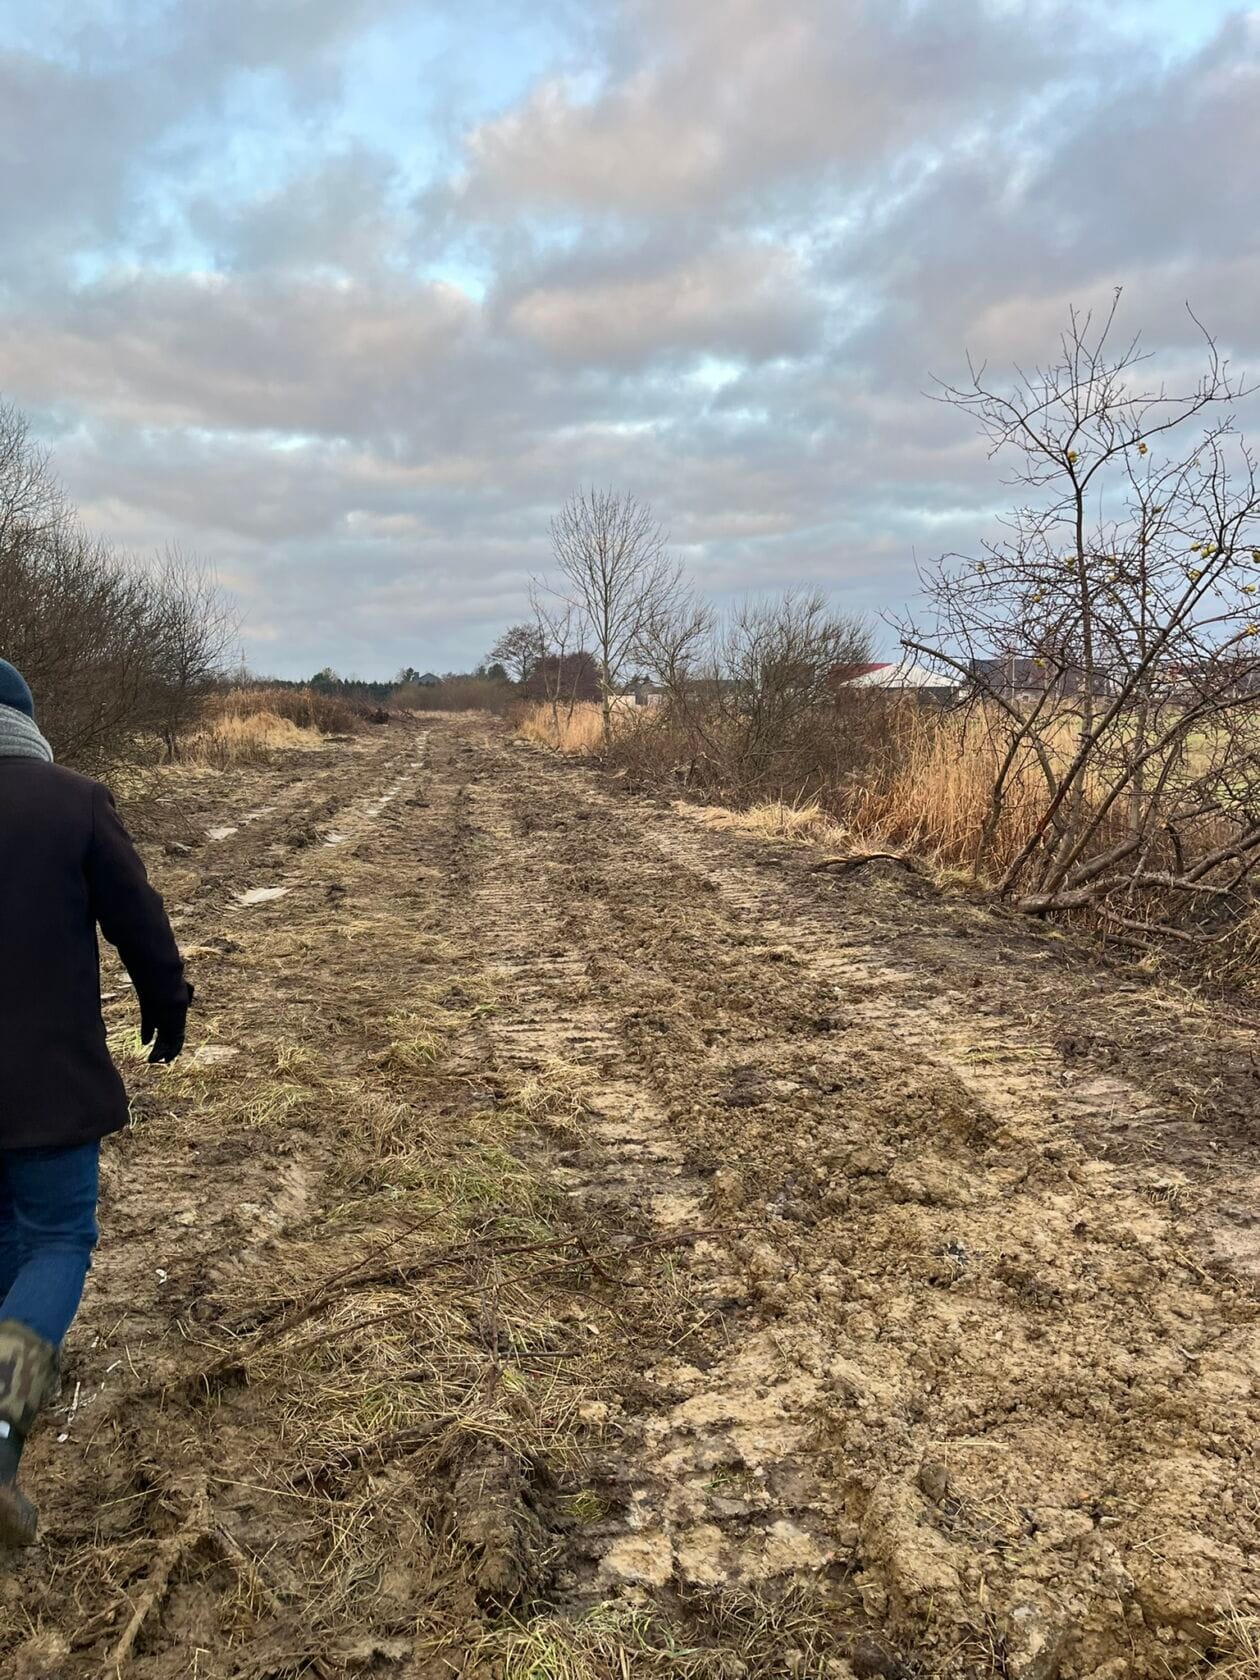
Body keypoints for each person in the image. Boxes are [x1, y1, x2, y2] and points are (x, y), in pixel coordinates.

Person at [0, 658, 191, 1545]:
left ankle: (17, 1358)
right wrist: (167, 998)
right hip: (46, 1083)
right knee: (56, 1239)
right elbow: (137, 916)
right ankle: (3, 1427)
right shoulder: (71, 801)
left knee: (9, 1235)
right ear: (27, 722)